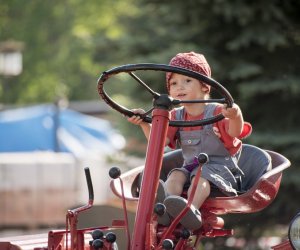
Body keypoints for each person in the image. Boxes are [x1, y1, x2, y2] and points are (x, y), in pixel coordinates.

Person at [127, 52, 252, 230]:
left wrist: (235, 114)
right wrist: (144, 124)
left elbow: (235, 131)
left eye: (187, 80)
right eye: (174, 83)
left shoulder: (217, 111)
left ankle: (189, 210)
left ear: (204, 86)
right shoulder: (176, 115)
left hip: (220, 169)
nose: (180, 87)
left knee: (200, 177)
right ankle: (166, 208)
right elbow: (160, 141)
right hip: (191, 166)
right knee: (176, 175)